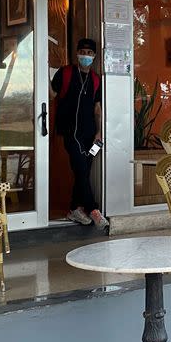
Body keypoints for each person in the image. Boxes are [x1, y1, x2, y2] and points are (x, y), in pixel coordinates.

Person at [51, 38, 109, 229]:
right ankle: (93, 209)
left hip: (92, 136)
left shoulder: (95, 79)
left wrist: (99, 132)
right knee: (81, 169)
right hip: (70, 132)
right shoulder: (65, 73)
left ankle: (74, 209)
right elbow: (50, 95)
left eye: (90, 53)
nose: (86, 56)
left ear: (94, 56)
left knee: (83, 172)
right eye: (83, 52)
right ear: (77, 53)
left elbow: (97, 108)